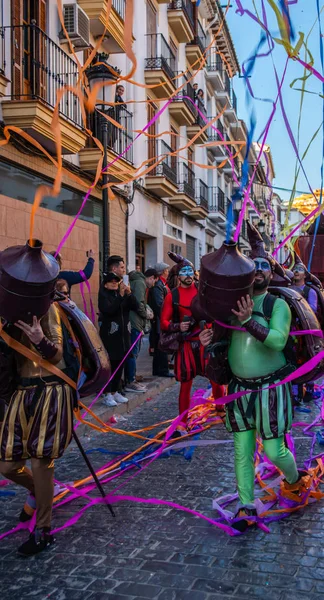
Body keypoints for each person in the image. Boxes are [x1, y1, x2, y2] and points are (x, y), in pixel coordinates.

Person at [199, 250, 310, 531]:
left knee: (274, 451)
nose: (259, 269)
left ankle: (295, 479)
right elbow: (220, 339)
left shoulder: (277, 304)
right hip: (239, 391)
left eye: (264, 266)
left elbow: (276, 341)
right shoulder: (231, 305)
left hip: (271, 389)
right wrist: (208, 340)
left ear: (271, 274)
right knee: (242, 450)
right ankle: (246, 504)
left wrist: (249, 321)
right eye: (254, 265)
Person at [0, 305, 75, 555]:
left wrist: (40, 340)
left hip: (51, 387)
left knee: (42, 460)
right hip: (21, 391)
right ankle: (40, 489)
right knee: (8, 465)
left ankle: (43, 530)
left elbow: (57, 355)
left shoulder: (47, 307)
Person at [161, 255, 224, 430]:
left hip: (206, 342)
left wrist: (211, 329)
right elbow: (163, 323)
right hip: (186, 343)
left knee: (216, 379)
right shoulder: (171, 296)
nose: (188, 275)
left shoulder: (202, 292)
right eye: (184, 272)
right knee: (185, 384)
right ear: (178, 276)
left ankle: (221, 408)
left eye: (190, 271)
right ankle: (182, 421)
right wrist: (178, 325)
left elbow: (215, 313)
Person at [98, 272, 139, 407]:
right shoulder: (104, 296)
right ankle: (107, 393)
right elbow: (109, 310)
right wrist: (121, 297)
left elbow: (135, 306)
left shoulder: (120, 294)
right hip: (111, 335)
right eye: (112, 282)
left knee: (120, 363)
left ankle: (115, 390)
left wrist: (129, 294)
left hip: (124, 335)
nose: (115, 283)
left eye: (117, 281)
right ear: (106, 284)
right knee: (110, 365)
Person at [124, 269, 157, 393]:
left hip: (135, 322)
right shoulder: (140, 283)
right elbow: (139, 304)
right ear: (151, 277)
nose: (153, 284)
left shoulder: (138, 282)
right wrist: (146, 314)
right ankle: (130, 381)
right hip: (135, 322)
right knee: (133, 352)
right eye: (154, 280)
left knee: (132, 352)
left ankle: (131, 377)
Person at [292, 260, 319, 403]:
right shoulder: (288, 288)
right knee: (293, 359)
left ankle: (309, 389)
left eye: (299, 269)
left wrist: (300, 302)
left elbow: (312, 310)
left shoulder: (311, 291)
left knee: (308, 359)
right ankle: (296, 392)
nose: (296, 271)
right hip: (291, 332)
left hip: (306, 333)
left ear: (305, 275)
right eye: (295, 269)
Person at [150, 262, 173, 377]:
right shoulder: (159, 285)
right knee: (162, 345)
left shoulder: (163, 284)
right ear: (163, 272)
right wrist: (167, 315)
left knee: (161, 346)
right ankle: (162, 370)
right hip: (161, 320)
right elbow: (160, 304)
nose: (168, 272)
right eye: (167, 270)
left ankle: (160, 369)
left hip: (163, 319)